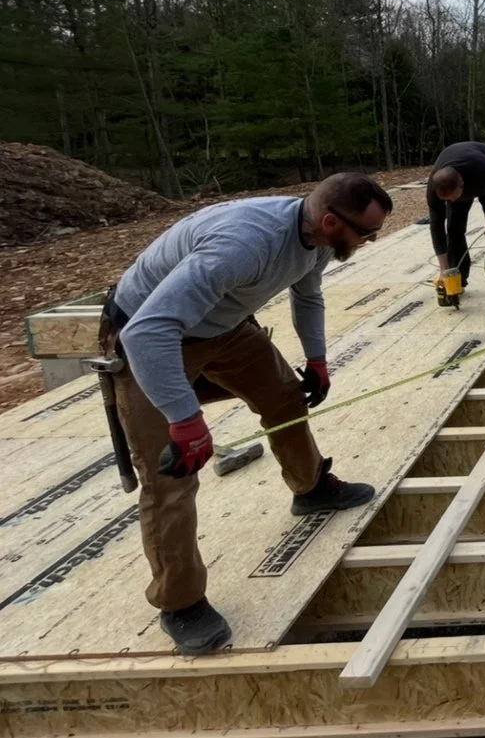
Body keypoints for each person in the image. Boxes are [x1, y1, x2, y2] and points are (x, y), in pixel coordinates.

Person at [105, 172, 393, 656]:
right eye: (365, 234)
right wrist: (184, 418)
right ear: (329, 220)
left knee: (285, 396)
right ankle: (181, 603)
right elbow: (147, 331)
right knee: (170, 472)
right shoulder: (244, 244)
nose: (367, 242)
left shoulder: (319, 239)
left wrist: (318, 358)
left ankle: (312, 488)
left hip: (225, 324)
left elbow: (307, 295)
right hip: (153, 334)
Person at [426, 141, 485, 303]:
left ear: (462, 184)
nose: (452, 201)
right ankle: (458, 279)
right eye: (447, 199)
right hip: (458, 177)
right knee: (454, 229)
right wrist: (444, 269)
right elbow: (436, 227)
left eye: (454, 197)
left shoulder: (483, 168)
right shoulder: (434, 190)